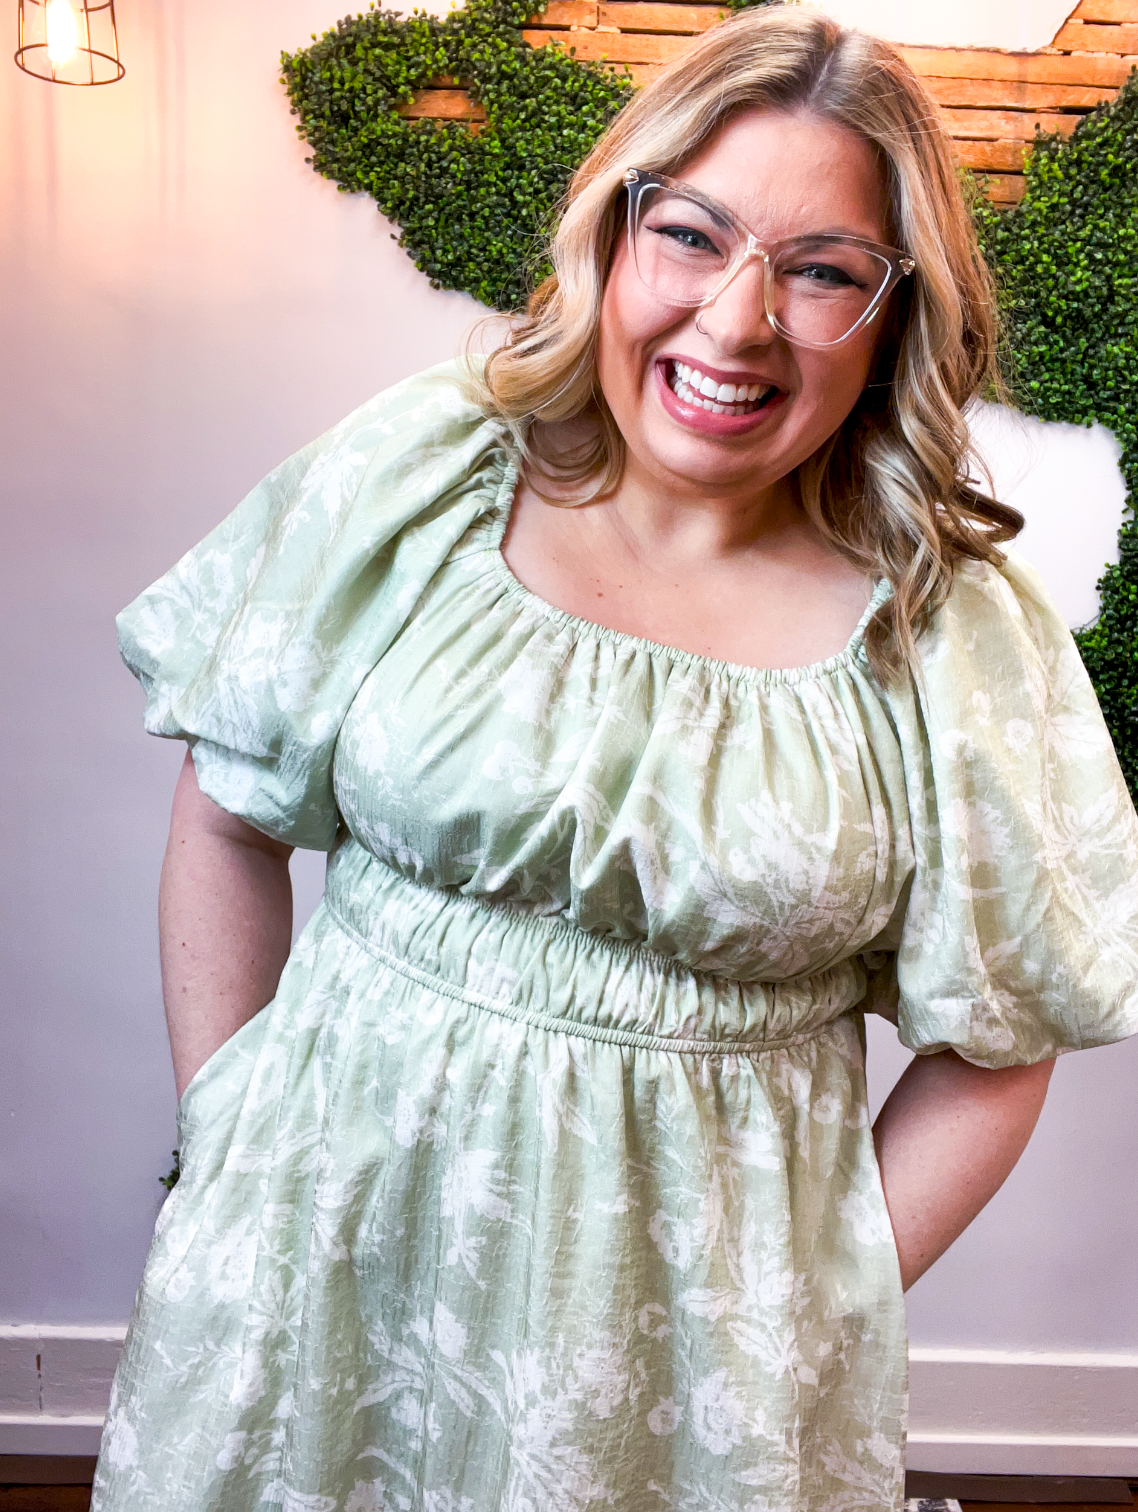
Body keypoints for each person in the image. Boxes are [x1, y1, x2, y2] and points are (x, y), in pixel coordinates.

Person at [94, 8, 1138, 1511]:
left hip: (684, 1379)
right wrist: (228, 1130)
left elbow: (1002, 1040)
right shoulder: (424, 476)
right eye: (692, 236)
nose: (737, 321)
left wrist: (810, 1310)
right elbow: (230, 810)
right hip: (312, 1260)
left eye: (822, 271)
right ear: (615, 231)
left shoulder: (949, 634)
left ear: (893, 314)